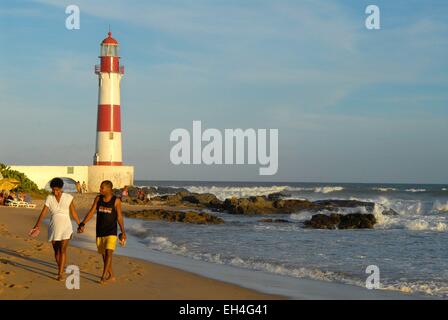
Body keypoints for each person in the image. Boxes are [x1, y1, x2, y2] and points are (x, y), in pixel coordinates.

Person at [31, 178, 81, 281]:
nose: (55, 192)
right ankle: (61, 268)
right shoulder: (49, 198)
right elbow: (44, 212)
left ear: (61, 188)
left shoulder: (68, 197)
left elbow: (73, 212)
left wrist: (80, 224)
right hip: (53, 227)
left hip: (66, 226)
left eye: (57, 190)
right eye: (53, 190)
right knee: (56, 252)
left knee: (62, 250)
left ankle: (60, 273)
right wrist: (37, 225)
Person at [78, 180, 126, 284]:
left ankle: (103, 276)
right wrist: (83, 223)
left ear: (109, 189)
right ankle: (111, 275)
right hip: (100, 231)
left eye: (102, 188)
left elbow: (119, 217)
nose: (100, 190)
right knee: (104, 255)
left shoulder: (116, 201)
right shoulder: (98, 199)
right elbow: (91, 212)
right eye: (100, 188)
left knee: (109, 253)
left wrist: (123, 231)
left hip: (111, 232)